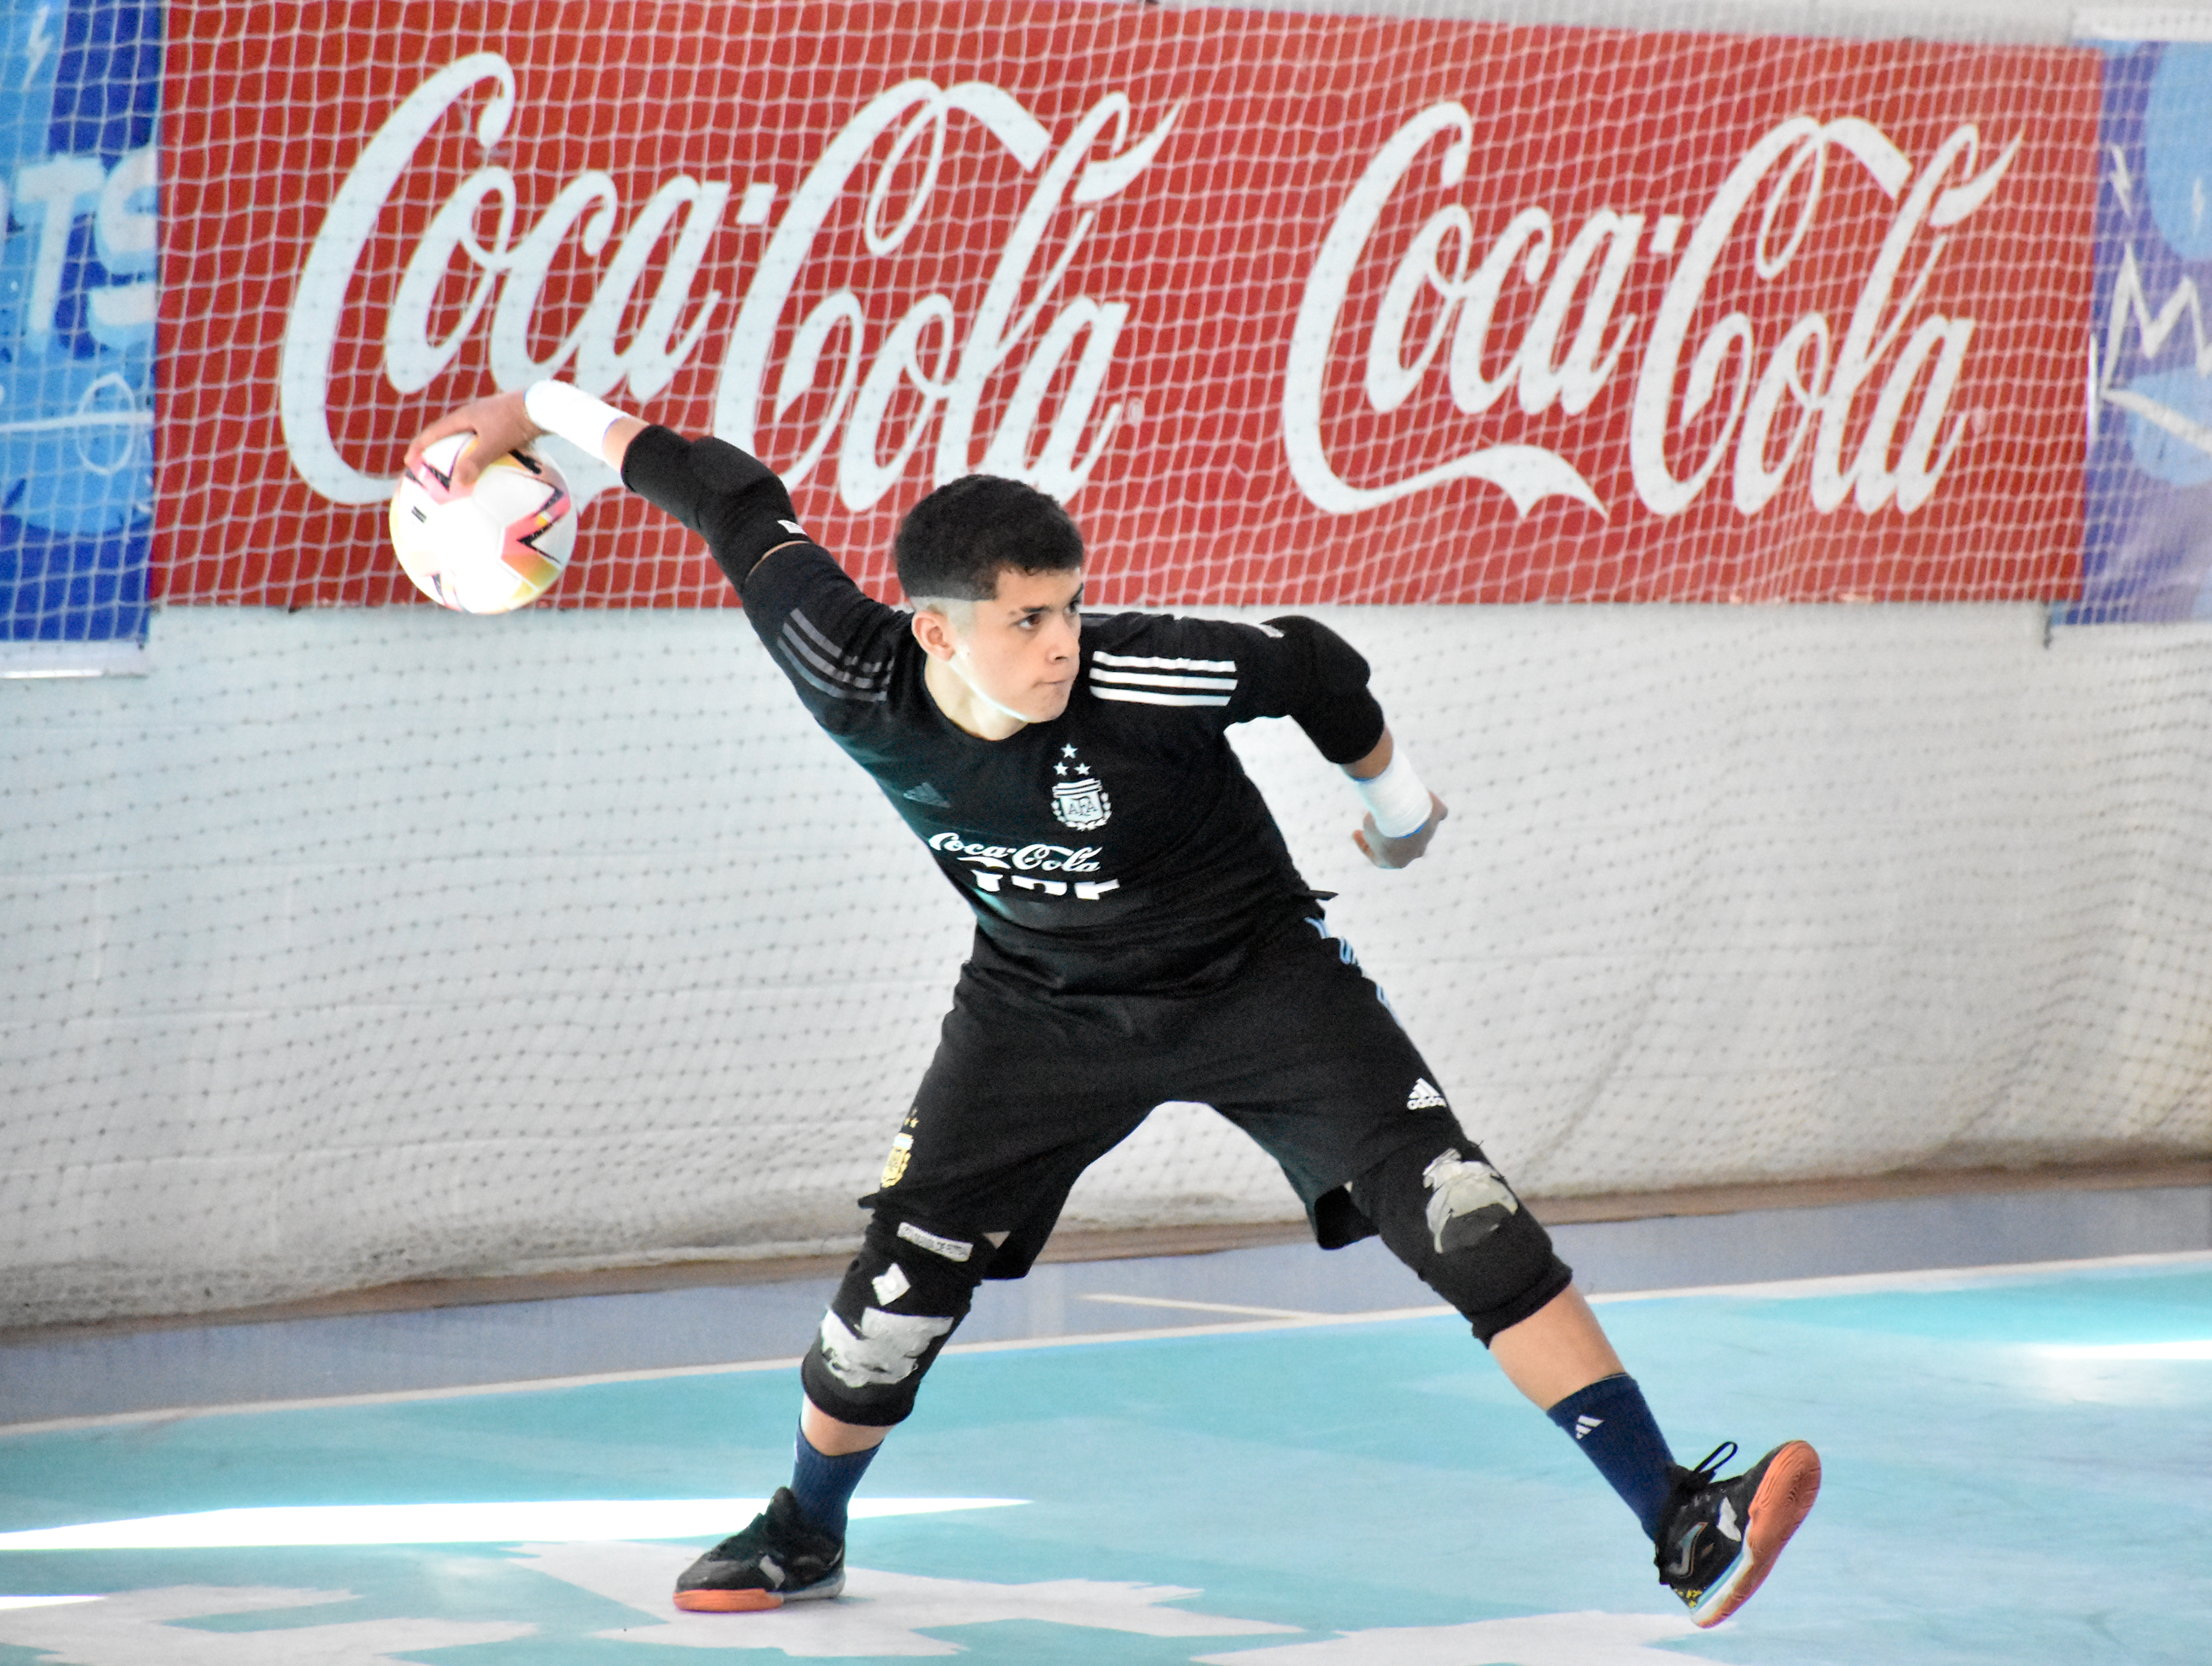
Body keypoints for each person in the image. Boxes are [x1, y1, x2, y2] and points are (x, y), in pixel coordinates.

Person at [408, 382, 1821, 1629]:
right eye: (1027, 620)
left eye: (1070, 606)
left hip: (1254, 978)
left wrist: (1398, 813)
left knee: (1466, 1215)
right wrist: (533, 407)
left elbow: (1317, 666)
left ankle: (1678, 1520)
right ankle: (805, 1531)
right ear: (935, 631)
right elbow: (725, 494)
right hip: (1038, 1005)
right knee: (891, 1298)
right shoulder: (844, 664)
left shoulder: (1147, 671)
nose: (1062, 642)